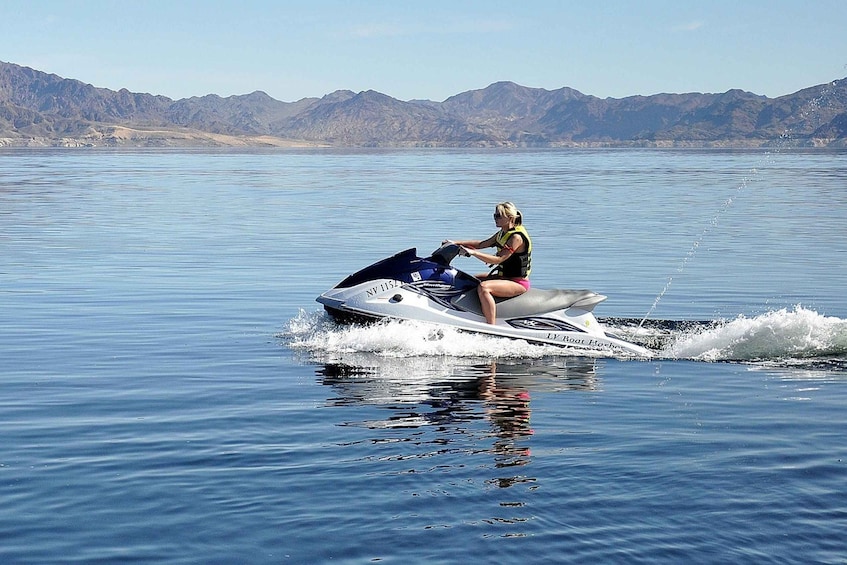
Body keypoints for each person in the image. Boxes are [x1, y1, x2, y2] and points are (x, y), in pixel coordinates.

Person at [446, 201, 532, 324]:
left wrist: (474, 253)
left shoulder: (516, 238)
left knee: (484, 287)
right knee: (469, 279)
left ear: (510, 218)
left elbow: (499, 259)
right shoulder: (502, 233)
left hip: (517, 282)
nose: (495, 219)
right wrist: (455, 243)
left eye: (499, 216)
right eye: (494, 215)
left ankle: (491, 326)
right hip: (503, 277)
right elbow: (481, 244)